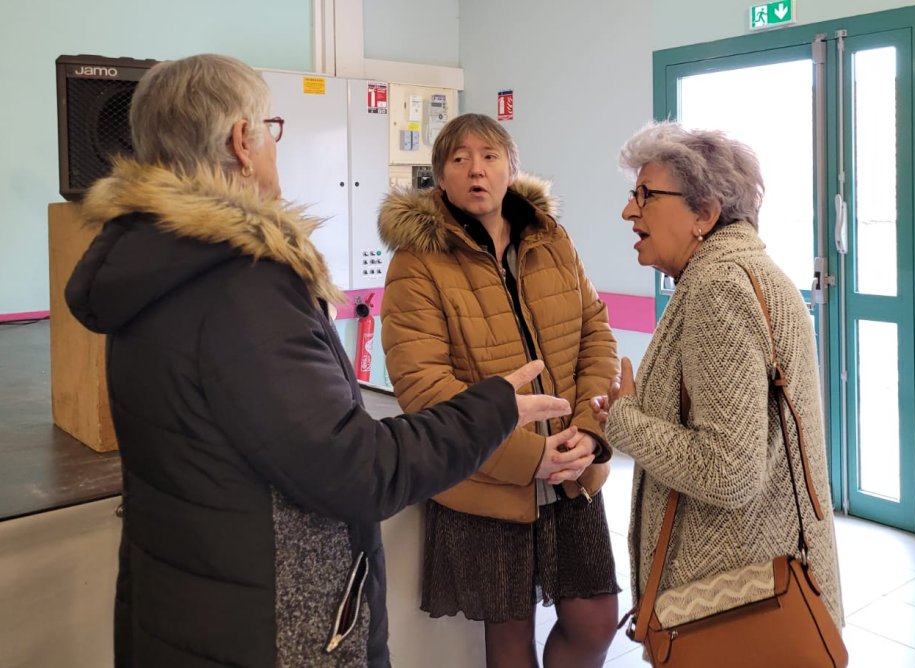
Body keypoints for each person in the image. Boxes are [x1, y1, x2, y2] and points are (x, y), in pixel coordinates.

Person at [64, 54, 573, 668]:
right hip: (273, 632)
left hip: (187, 615)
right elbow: (355, 470)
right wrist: (490, 410)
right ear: (242, 142)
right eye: (270, 127)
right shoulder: (240, 285)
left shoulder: (156, 265)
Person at [378, 113, 620, 668]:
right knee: (508, 638)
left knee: (596, 622)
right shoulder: (417, 262)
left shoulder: (551, 239)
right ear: (440, 178)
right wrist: (528, 455)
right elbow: (421, 384)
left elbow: (595, 334)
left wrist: (588, 432)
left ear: (511, 168)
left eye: (489, 156)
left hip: (573, 470)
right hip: (487, 477)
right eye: (459, 159)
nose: (476, 170)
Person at [593, 120, 843, 635]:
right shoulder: (745, 271)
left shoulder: (719, 288)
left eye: (646, 195)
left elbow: (728, 471)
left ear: (704, 214)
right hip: (762, 584)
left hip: (734, 604)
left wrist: (626, 422)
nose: (628, 211)